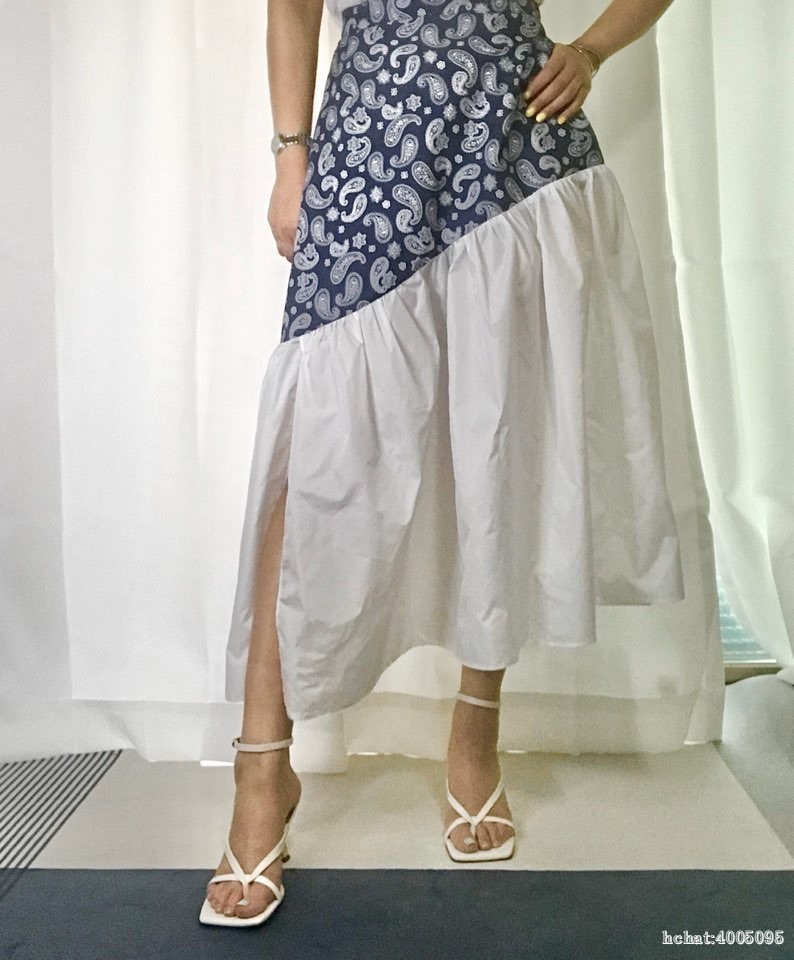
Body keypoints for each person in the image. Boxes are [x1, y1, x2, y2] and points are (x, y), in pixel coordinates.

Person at [200, 0, 682, 927]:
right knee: (317, 450)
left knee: (496, 433)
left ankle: (474, 734)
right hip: (370, 139)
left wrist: (590, 52)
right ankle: (261, 774)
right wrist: (291, 155)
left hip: (517, 143)